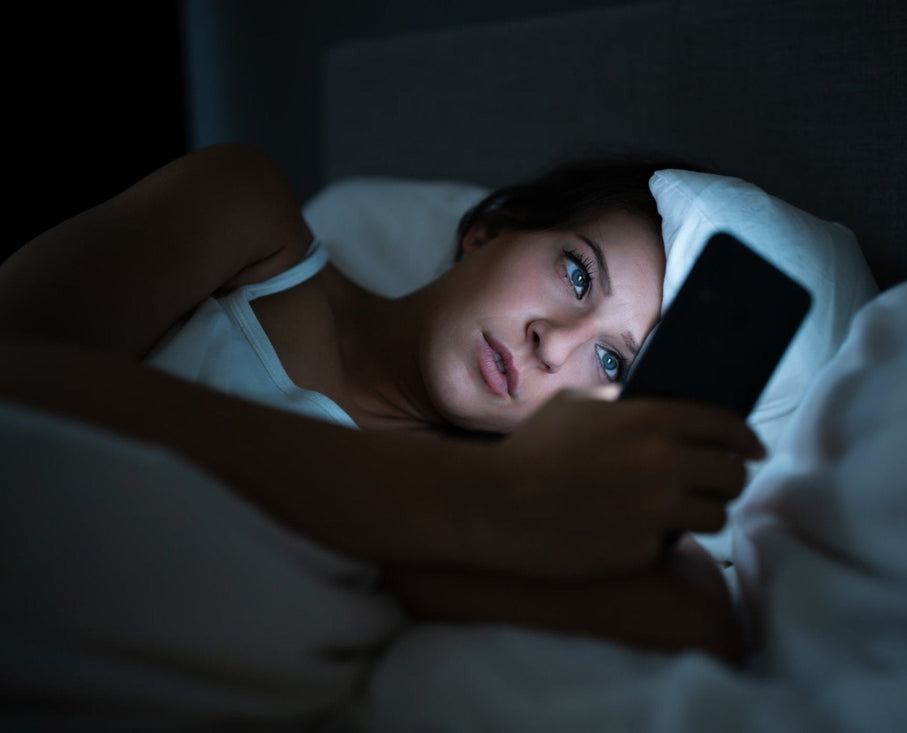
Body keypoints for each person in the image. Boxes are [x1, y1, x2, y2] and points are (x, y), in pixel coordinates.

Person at [0, 143, 766, 663]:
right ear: (490, 230)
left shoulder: (511, 524)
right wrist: (480, 499)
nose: (551, 341)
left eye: (610, 359)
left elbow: (703, 624)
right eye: (575, 275)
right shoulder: (248, 220)